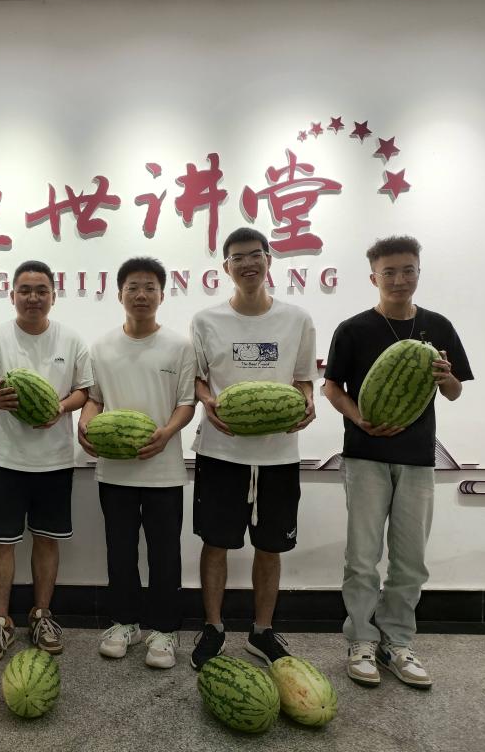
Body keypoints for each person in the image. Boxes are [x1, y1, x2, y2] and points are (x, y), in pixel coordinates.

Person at [323, 236, 471, 688]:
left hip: (417, 457)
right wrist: (359, 419)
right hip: (365, 455)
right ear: (374, 277)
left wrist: (446, 379)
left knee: (411, 560)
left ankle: (398, 642)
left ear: (418, 272)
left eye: (408, 270)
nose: (399, 279)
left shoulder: (438, 327)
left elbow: (455, 391)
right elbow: (331, 387)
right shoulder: (353, 329)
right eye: (389, 272)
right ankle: (361, 639)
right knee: (362, 557)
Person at [189, 227, 317, 670]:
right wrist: (207, 401)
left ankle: (262, 631)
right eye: (238, 257)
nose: (248, 264)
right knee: (215, 543)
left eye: (255, 255)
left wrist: (309, 401)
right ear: (226, 267)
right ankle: (213, 627)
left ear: (268, 260)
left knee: (271, 546)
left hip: (278, 453)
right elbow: (198, 378)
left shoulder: (297, 319)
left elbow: (303, 379)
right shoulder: (206, 320)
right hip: (221, 450)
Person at [0, 260, 93, 664]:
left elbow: (84, 391)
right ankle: (0, 621)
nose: (33, 297)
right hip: (4, 459)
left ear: (53, 295)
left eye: (41, 290)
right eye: (25, 290)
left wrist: (61, 408)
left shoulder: (71, 340)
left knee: (47, 539)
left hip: (54, 461)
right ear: (13, 295)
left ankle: (41, 615)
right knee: (1, 543)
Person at [78, 257, 196, 669]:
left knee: (165, 553)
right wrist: (85, 425)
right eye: (133, 287)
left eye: (149, 287)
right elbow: (94, 399)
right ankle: (124, 622)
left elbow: (187, 403)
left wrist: (166, 433)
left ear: (162, 295)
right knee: (120, 551)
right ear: (120, 295)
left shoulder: (180, 346)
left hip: (164, 470)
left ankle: (164, 629)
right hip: (115, 469)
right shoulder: (101, 347)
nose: (141, 295)